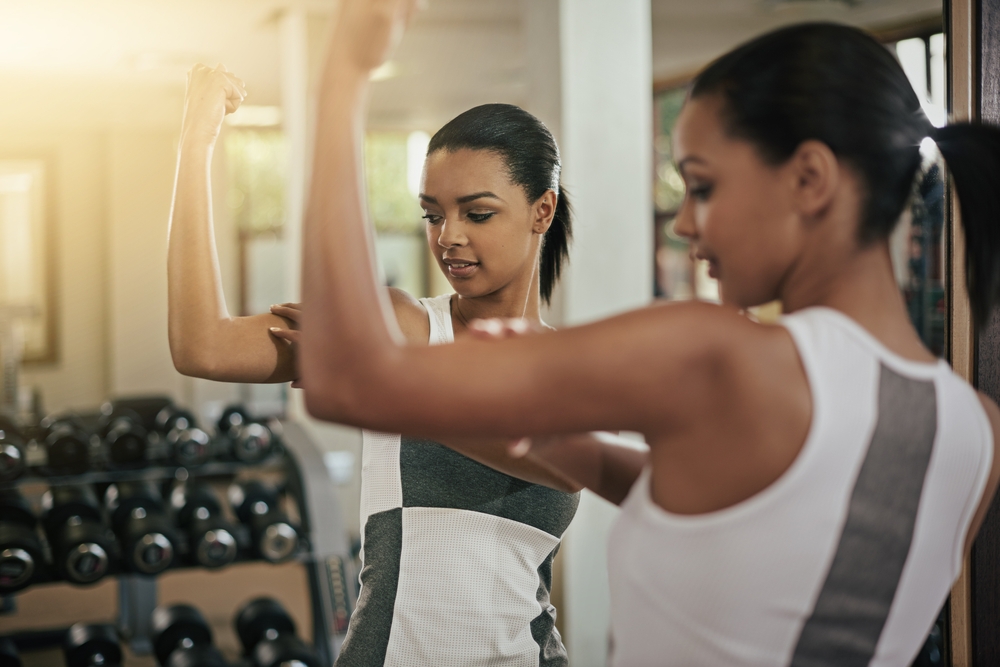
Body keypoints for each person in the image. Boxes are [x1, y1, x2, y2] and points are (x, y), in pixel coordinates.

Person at [297, 2, 1000, 666]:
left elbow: (347, 379)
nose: (686, 223)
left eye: (702, 186)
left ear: (810, 178)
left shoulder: (715, 352)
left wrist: (343, 76)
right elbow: (765, 553)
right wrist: (576, 452)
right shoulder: (975, 430)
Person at [166, 64, 617, 666]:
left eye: (476, 214)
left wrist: (388, 383)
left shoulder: (578, 369)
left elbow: (559, 459)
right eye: (433, 214)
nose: (448, 237)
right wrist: (195, 140)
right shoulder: (405, 328)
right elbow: (205, 345)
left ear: (542, 210)